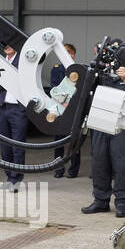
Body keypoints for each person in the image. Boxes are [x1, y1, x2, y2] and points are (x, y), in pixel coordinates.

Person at [81, 61, 125, 218]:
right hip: (100, 124)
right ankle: (101, 201)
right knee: (99, 163)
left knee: (121, 164)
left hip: (121, 127)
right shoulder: (97, 71)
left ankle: (122, 203)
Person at [0, 45, 27, 192]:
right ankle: (9, 177)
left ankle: (16, 179)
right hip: (3, 108)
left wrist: (4, 76)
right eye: (5, 45)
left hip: (18, 110)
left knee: (18, 146)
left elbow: (24, 82)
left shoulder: (22, 62)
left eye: (10, 44)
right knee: (5, 146)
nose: (7, 47)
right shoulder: (0, 61)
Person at [51, 43, 82, 179]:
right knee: (58, 141)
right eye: (67, 52)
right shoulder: (56, 69)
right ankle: (58, 168)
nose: (69, 55)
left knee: (74, 141)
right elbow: (54, 87)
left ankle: (73, 170)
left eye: (71, 53)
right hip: (59, 108)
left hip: (74, 109)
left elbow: (80, 90)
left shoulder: (79, 70)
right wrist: (64, 100)